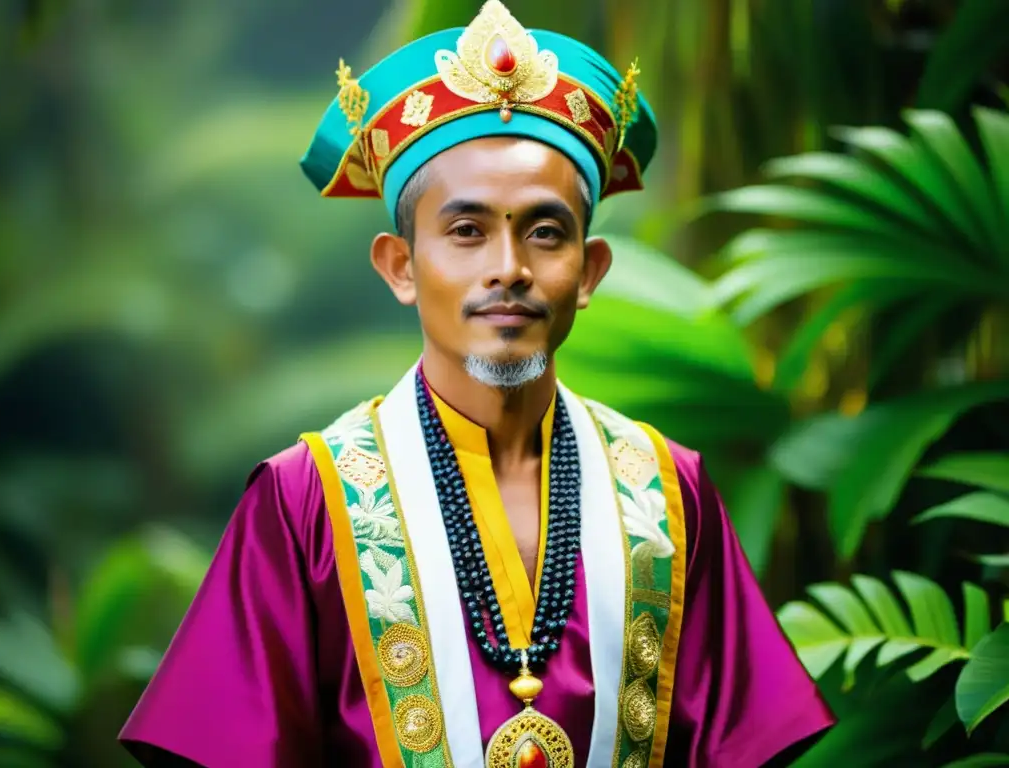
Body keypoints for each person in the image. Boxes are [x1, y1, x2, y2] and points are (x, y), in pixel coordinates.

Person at [119, 2, 835, 766]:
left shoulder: (667, 493)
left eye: (545, 231)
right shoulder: (305, 506)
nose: (509, 267)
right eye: (466, 231)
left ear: (590, 271)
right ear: (400, 264)